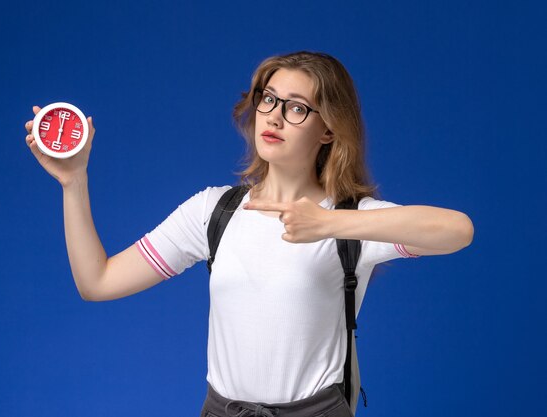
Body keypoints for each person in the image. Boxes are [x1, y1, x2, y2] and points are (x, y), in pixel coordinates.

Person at [24, 51, 474, 417]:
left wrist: (330, 223)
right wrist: (73, 182)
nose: (274, 117)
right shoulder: (213, 211)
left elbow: (457, 230)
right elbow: (97, 281)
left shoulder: (355, 219)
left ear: (329, 129)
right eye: (268, 99)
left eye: (297, 107)